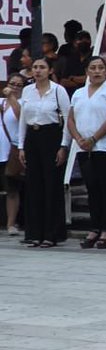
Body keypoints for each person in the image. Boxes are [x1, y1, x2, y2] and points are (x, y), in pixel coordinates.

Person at [67, 57, 106, 250]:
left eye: (101, 67)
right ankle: (94, 227)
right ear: (87, 71)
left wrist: (94, 138)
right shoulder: (78, 93)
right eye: (93, 68)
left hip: (104, 146)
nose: (97, 71)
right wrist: (78, 138)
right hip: (84, 147)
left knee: (105, 187)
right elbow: (70, 120)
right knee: (91, 188)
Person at [15, 58, 71, 248]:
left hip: (51, 136)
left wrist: (63, 146)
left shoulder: (58, 91)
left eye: (42, 67)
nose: (38, 71)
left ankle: (51, 233)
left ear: (50, 70)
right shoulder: (27, 91)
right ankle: (34, 232)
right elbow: (23, 118)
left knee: (52, 185)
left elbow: (67, 119)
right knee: (34, 185)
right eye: (35, 68)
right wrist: (21, 146)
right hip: (33, 136)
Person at [1, 73, 25, 236]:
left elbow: (20, 115)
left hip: (11, 152)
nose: (15, 87)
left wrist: (12, 97)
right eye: (12, 84)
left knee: (12, 190)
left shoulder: (23, 103)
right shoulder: (1, 102)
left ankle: (11, 223)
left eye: (19, 85)